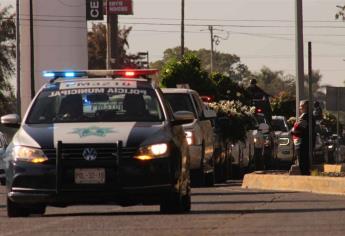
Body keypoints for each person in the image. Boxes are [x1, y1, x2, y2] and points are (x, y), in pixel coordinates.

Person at [291, 100, 316, 175]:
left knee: (303, 163)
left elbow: (297, 128)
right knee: (303, 162)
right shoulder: (307, 116)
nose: (299, 108)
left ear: (306, 107)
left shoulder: (306, 116)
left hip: (303, 142)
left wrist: (292, 130)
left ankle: (306, 178)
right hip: (303, 142)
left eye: (301, 106)